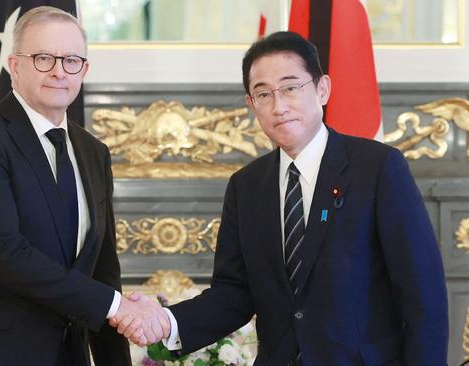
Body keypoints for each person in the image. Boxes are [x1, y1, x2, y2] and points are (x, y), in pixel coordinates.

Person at [115, 31, 449, 365]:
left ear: (322, 89)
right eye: (264, 94)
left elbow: (423, 294)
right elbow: (234, 294)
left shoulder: (377, 169)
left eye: (291, 87)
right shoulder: (246, 186)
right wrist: (166, 321)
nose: (279, 106)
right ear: (251, 104)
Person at [0, 6, 167, 366]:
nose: (58, 71)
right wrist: (116, 307)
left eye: (71, 60)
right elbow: (6, 254)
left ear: (84, 70)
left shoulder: (93, 151)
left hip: (66, 354)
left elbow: (103, 269)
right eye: (43, 58)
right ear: (14, 65)